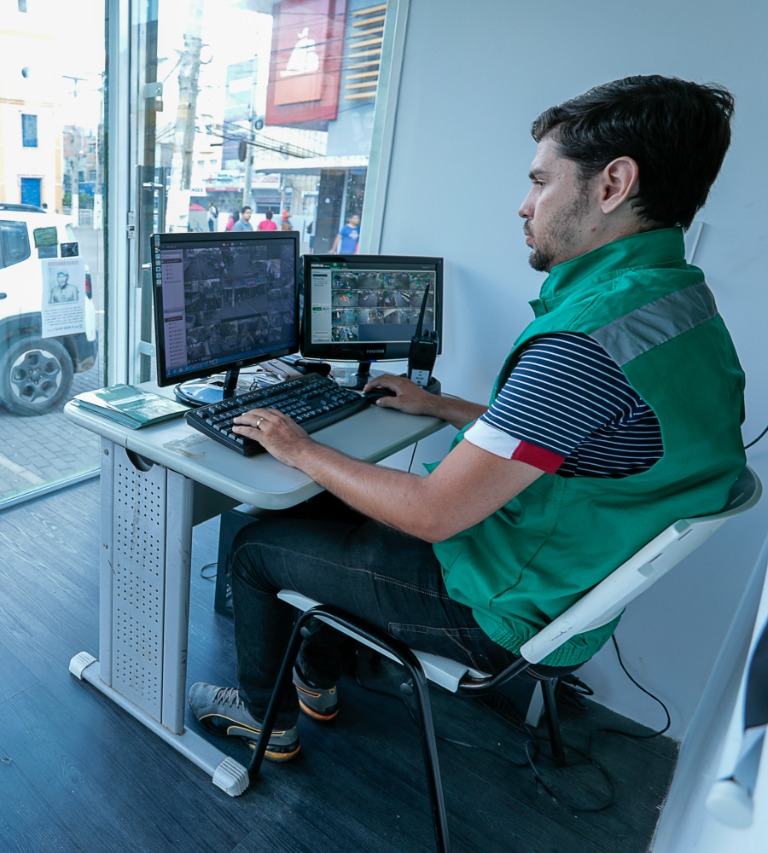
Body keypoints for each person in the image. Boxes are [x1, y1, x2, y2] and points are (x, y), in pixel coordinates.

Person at [187, 75, 746, 762]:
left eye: (540, 182)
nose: (524, 204)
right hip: (552, 574)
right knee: (333, 506)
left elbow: (430, 513)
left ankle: (262, 719)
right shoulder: (680, 309)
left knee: (251, 542)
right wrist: (443, 407)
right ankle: (317, 676)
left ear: (612, 185)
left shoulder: (584, 344)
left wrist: (295, 443)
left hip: (492, 605)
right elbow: (565, 442)